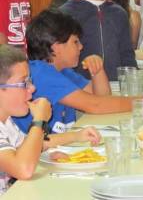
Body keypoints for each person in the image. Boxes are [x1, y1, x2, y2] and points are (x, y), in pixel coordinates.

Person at [13, 9, 143, 134]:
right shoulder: (41, 73)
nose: (81, 47)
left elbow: (102, 98)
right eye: (75, 42)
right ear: (56, 46)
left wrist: (98, 71)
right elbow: (95, 105)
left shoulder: (62, 72)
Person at [0, 44, 100, 195]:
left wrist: (76, 136)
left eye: (30, 80)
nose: (32, 88)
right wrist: (39, 120)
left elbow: (33, 145)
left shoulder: (7, 122)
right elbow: (23, 169)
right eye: (23, 83)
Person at [60, 0, 137, 81]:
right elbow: (61, 62)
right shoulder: (65, 14)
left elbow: (127, 55)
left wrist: (132, 82)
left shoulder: (119, 13)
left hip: (115, 87)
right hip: (81, 90)